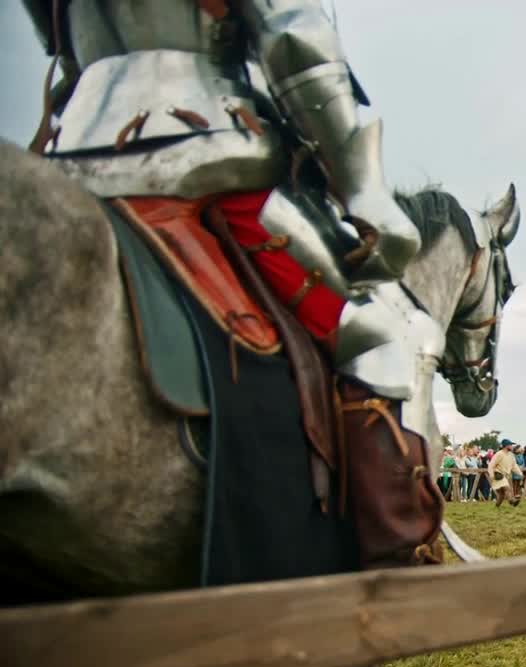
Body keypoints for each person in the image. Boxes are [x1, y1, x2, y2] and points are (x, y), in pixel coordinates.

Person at [21, 0, 443, 570]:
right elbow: (294, 35)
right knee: (382, 333)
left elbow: (65, 47)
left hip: (76, 150)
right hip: (205, 145)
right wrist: (363, 189)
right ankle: (400, 554)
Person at [488, 440, 523, 507]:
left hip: (505, 476)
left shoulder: (511, 455)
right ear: (506, 446)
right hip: (498, 475)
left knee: (502, 494)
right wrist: (491, 474)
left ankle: (497, 506)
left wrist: (520, 473)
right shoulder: (499, 454)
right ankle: (512, 501)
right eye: (510, 445)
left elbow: (514, 465)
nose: (512, 446)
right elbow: (491, 464)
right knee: (507, 488)